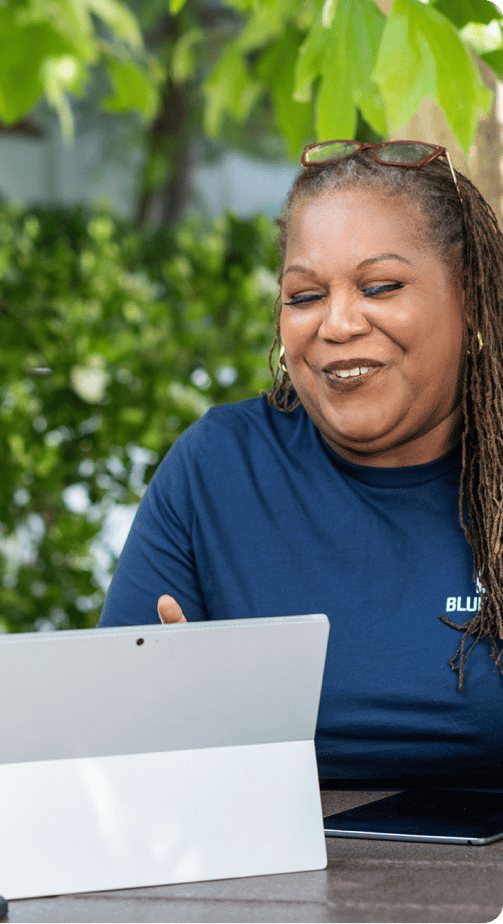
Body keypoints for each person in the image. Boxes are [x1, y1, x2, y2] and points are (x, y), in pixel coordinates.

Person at [99, 140, 503, 788]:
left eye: (379, 286)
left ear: (472, 296)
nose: (337, 323)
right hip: (264, 881)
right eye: (304, 295)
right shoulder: (219, 469)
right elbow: (103, 747)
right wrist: (162, 722)